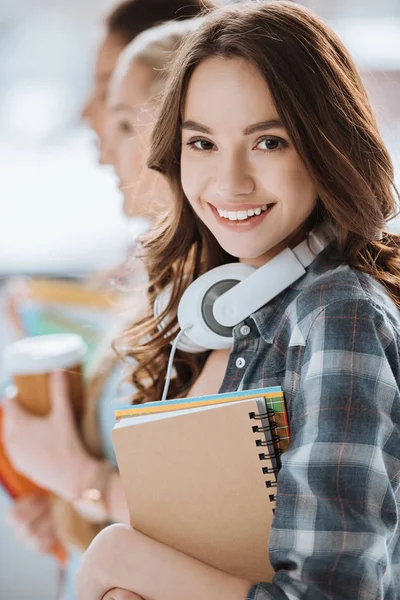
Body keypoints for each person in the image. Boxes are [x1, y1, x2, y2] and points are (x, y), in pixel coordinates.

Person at [74, 2, 400, 599]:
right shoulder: (226, 306)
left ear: (327, 142)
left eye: (269, 141)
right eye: (202, 143)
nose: (230, 182)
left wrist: (119, 559)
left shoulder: (339, 316)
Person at [3, 9, 220, 600]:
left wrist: (77, 478)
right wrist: (69, 508)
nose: (104, 152)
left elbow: (209, 525)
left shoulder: (217, 312)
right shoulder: (157, 294)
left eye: (123, 121)